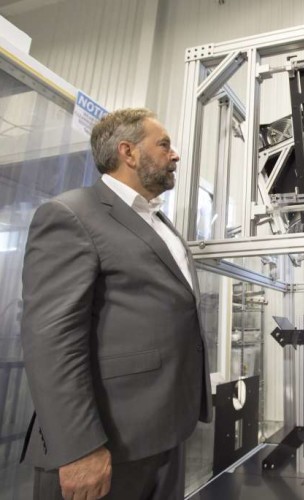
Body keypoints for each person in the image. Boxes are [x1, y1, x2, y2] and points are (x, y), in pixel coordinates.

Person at [21, 108, 212, 499]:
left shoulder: (159, 222)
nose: (174, 155)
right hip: (105, 446)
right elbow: (52, 341)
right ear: (128, 152)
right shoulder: (71, 214)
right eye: (164, 145)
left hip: (165, 434)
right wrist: (80, 450)